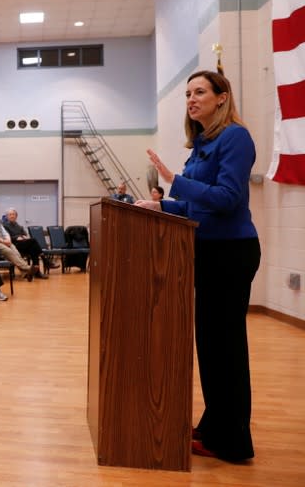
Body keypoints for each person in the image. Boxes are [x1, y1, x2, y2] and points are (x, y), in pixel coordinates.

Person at [136, 70, 260, 462]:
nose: (191, 99)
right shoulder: (203, 143)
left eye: (200, 92)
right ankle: (214, 425)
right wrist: (161, 206)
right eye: (188, 93)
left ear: (222, 97)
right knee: (210, 346)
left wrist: (173, 181)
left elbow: (226, 198)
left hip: (231, 252)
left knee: (226, 349)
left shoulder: (235, 137)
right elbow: (195, 205)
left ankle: (233, 440)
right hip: (206, 251)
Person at [0, 205, 44, 280]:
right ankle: (28, 268)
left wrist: (8, 240)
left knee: (16, 252)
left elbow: (5, 232)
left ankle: (26, 273)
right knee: (9, 251)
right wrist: (3, 241)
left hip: (5, 240)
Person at [2, 208, 50, 276]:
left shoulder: (19, 226)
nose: (12, 216)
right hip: (13, 245)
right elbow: (6, 237)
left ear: (16, 216)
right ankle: (44, 260)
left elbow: (25, 234)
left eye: (13, 214)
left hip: (22, 244)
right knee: (33, 241)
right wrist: (16, 237)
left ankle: (37, 271)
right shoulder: (4, 226)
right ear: (7, 216)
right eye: (10, 215)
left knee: (33, 250)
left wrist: (24, 237)